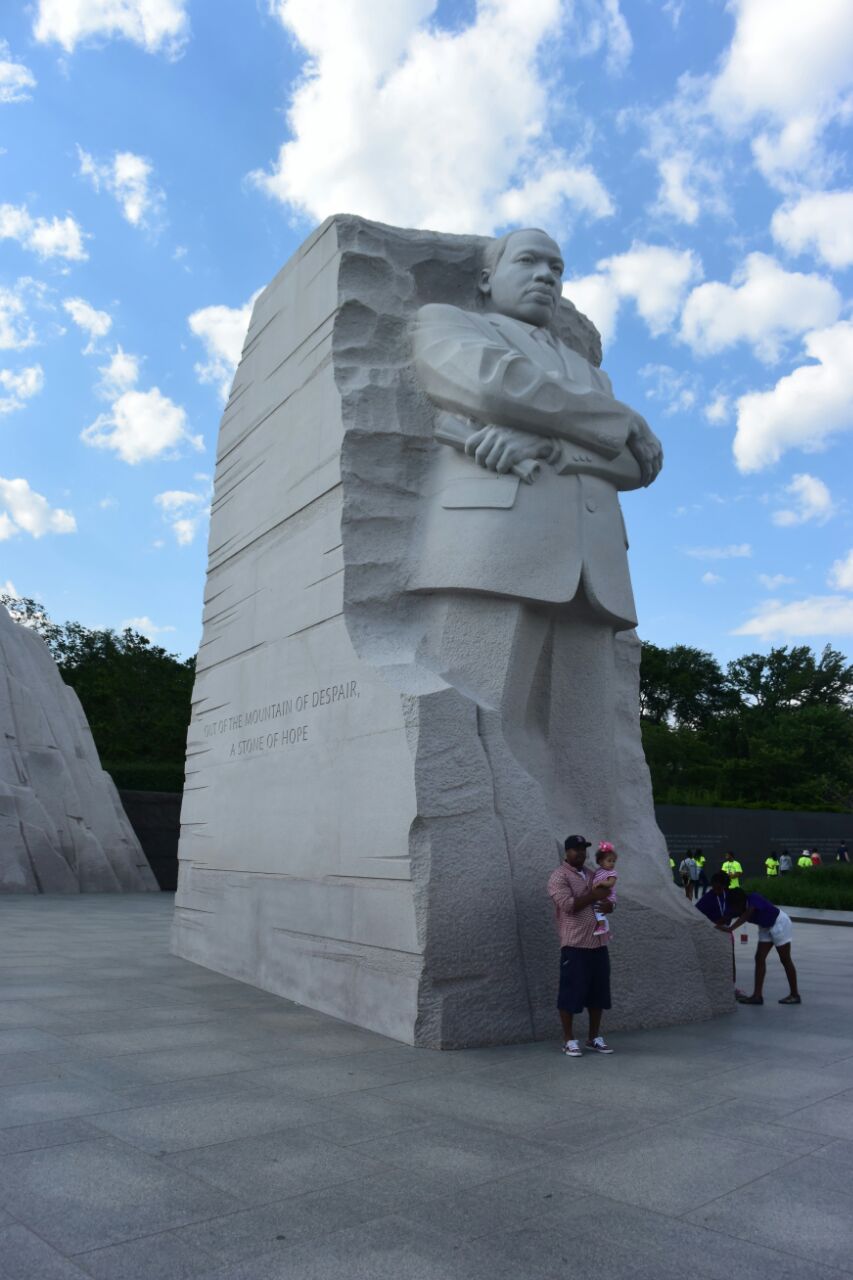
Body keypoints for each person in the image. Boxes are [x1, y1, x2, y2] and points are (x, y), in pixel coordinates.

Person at [547, 834, 615, 1056]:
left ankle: (594, 1037)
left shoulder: (592, 874)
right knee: (570, 993)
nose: (581, 853)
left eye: (584, 849)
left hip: (598, 942)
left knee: (598, 993)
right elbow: (567, 905)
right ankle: (569, 1039)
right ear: (566, 852)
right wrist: (593, 895)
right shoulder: (558, 877)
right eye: (576, 849)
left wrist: (608, 906)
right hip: (575, 945)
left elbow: (607, 896)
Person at [718, 888, 801, 1006]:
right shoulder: (737, 906)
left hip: (779, 923)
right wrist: (713, 925)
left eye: (736, 906)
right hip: (765, 927)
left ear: (742, 901)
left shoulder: (753, 898)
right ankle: (757, 996)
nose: (734, 909)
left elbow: (748, 913)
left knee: (785, 959)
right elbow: (726, 918)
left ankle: (795, 995)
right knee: (759, 958)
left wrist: (731, 929)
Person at [695, 871, 739, 987]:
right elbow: (695, 916)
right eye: (714, 887)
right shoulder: (707, 898)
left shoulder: (729, 896)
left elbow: (737, 910)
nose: (716, 890)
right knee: (714, 960)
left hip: (727, 932)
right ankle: (713, 984)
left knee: (730, 960)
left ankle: (731, 986)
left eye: (719, 887)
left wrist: (727, 918)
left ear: (725, 886)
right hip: (712, 932)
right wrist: (713, 924)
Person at [591, 842, 618, 936]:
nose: (612, 863)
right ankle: (606, 929)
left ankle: (602, 927)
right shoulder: (598, 871)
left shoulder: (612, 873)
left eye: (614, 861)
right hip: (600, 896)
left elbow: (611, 883)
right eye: (609, 861)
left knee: (598, 910)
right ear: (600, 861)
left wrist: (601, 883)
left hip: (608, 897)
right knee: (596, 910)